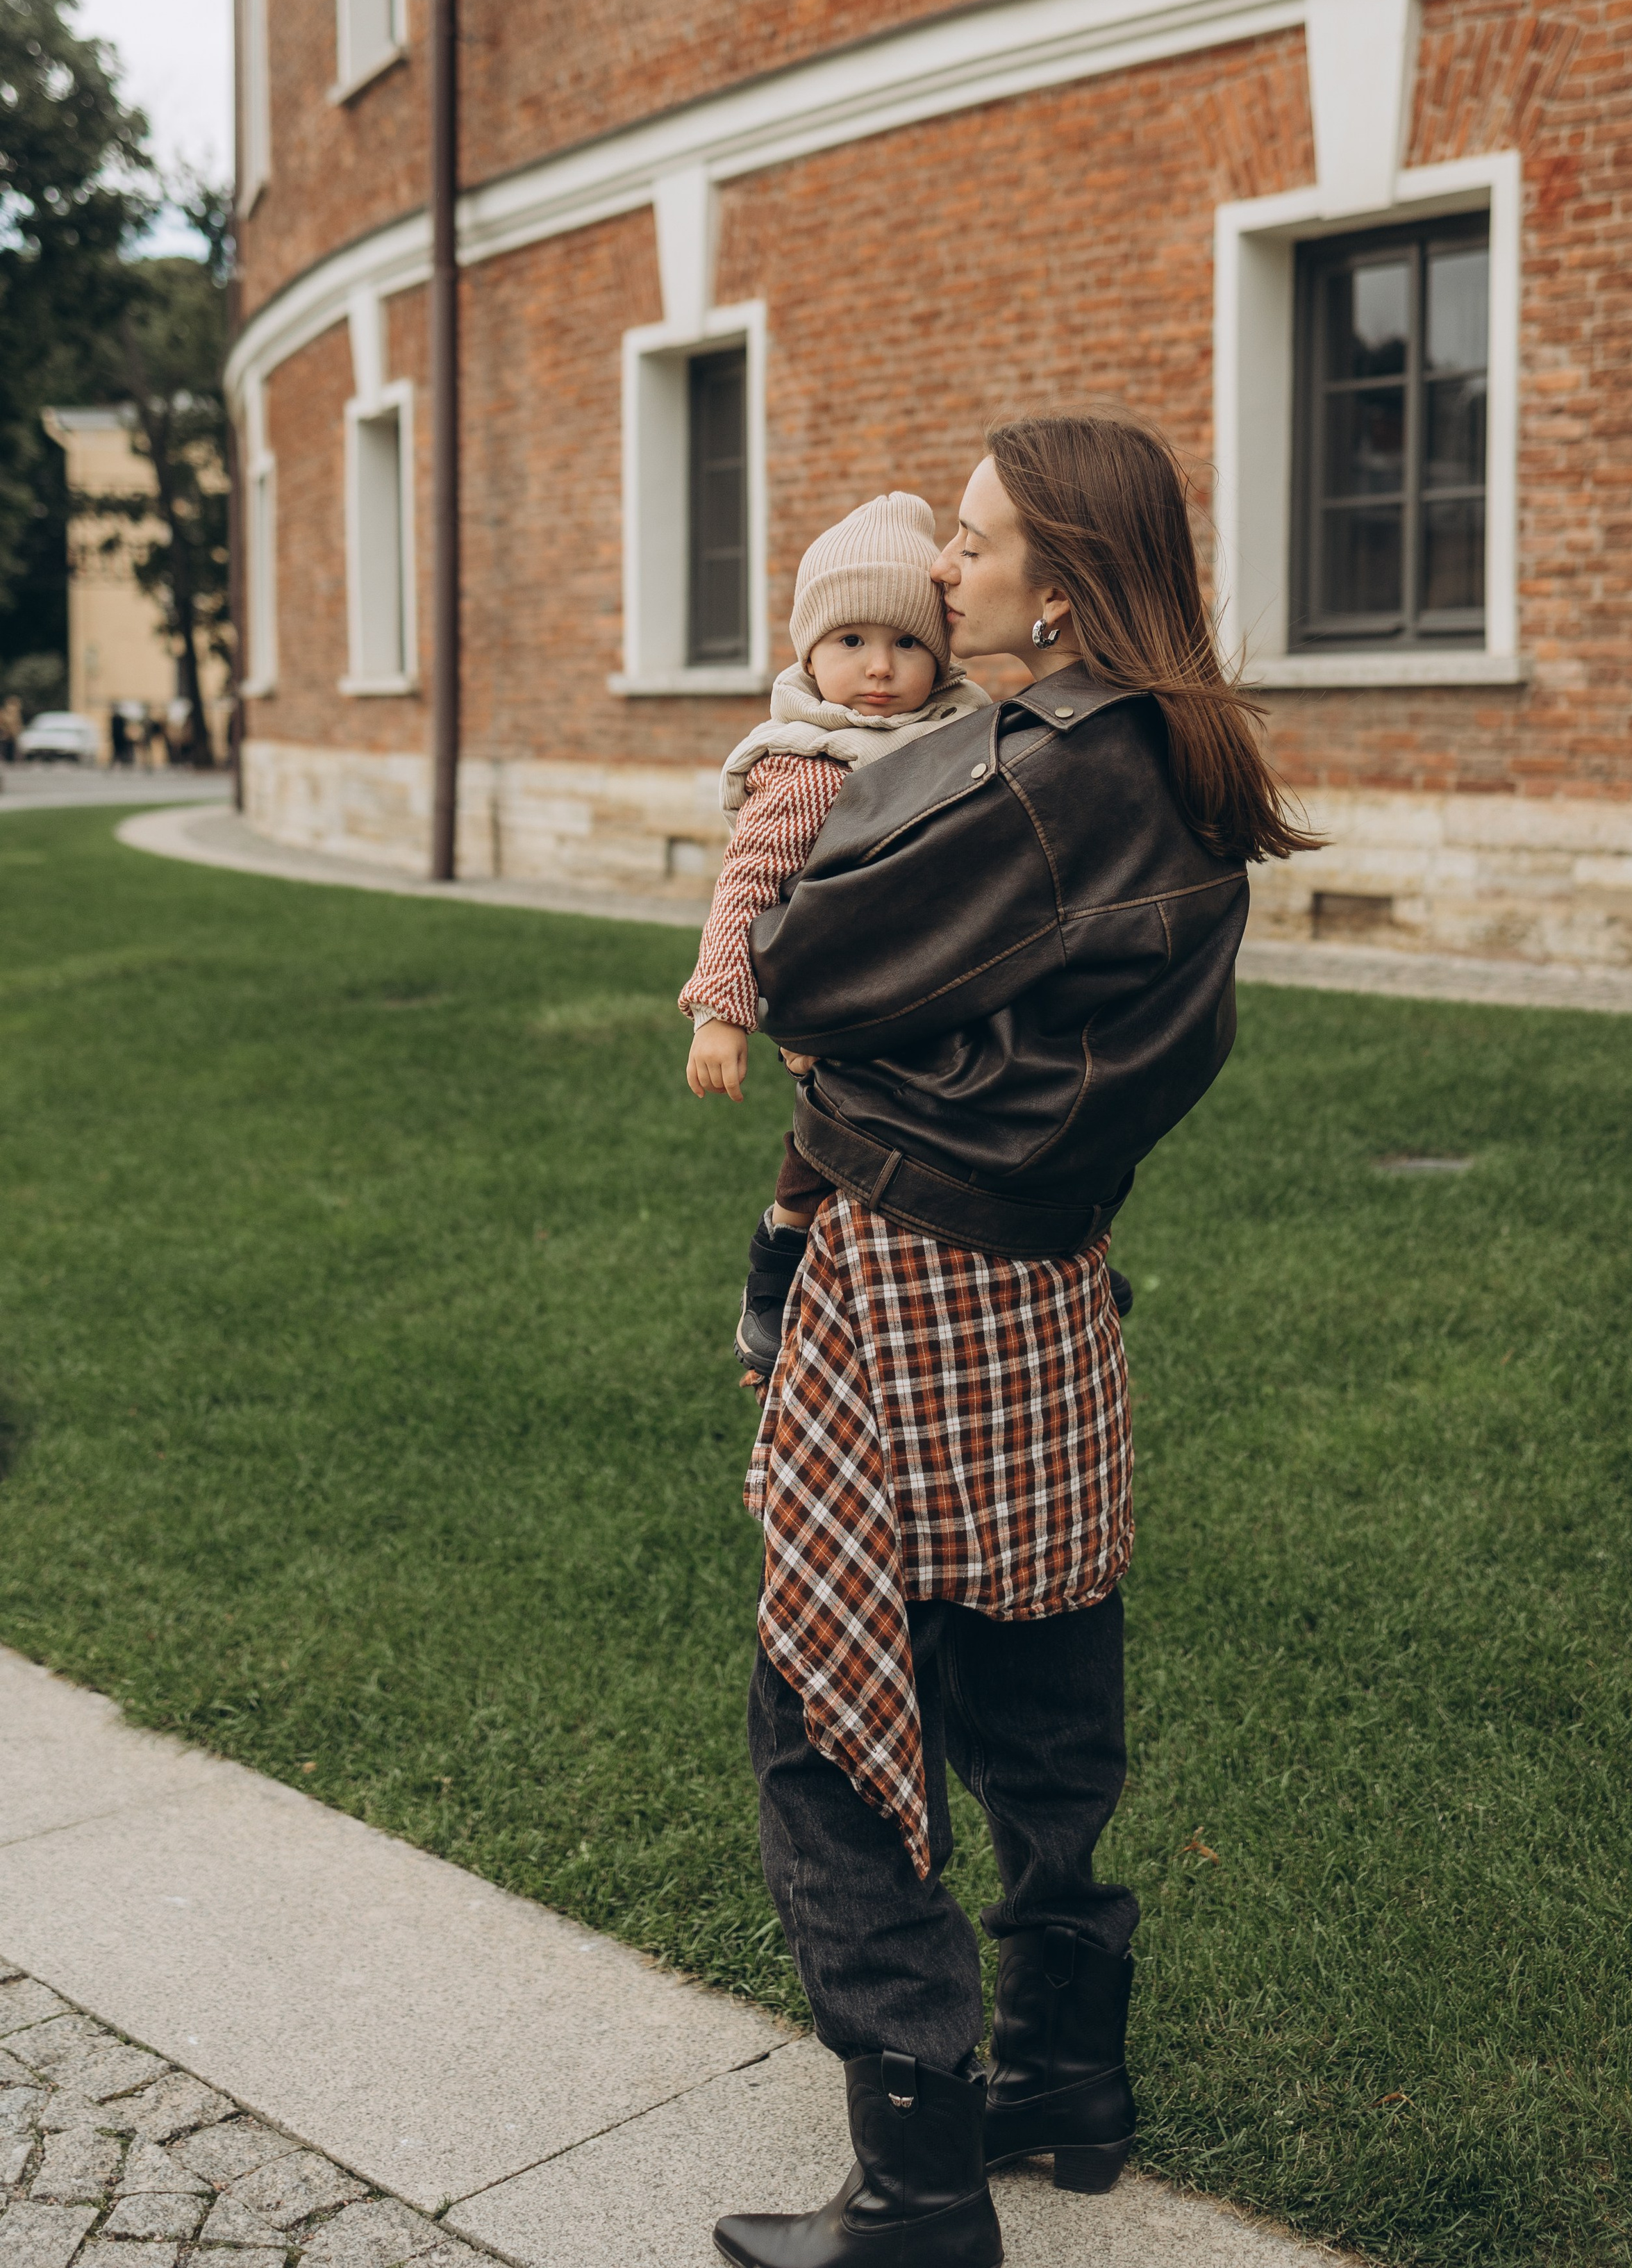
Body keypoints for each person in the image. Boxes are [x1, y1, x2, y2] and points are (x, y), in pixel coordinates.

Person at [709, 412, 1317, 2268]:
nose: (943, 569)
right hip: (1055, 1282)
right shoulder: (1190, 758)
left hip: (912, 1276)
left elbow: (804, 963)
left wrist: (845, 1035)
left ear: (1060, 577)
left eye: (971, 544)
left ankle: (910, 2183)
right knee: (1044, 1689)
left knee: (824, 1709)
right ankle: (1064, 2081)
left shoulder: (1035, 766)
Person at [679, 492, 990, 1374]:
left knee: (998, 1109)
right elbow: (746, 887)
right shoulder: (810, 766)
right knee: (835, 1129)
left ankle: (1059, 1255)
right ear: (809, 653)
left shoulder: (971, 737)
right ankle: (777, 1262)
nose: (881, 668)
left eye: (906, 644)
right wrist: (722, 1011)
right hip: (848, 998)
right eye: (851, 642)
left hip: (951, 982)